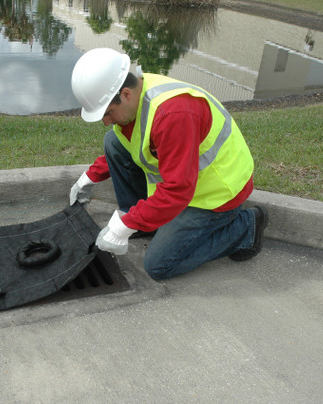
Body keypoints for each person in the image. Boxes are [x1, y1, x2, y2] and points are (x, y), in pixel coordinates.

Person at [69, 48, 269, 280]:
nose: (105, 121)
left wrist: (124, 225)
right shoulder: (139, 96)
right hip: (186, 182)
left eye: (108, 113)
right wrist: (90, 177)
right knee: (113, 141)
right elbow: (131, 144)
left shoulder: (172, 115)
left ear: (125, 94)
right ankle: (146, 223)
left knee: (159, 265)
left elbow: (178, 190)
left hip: (217, 193)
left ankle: (246, 228)